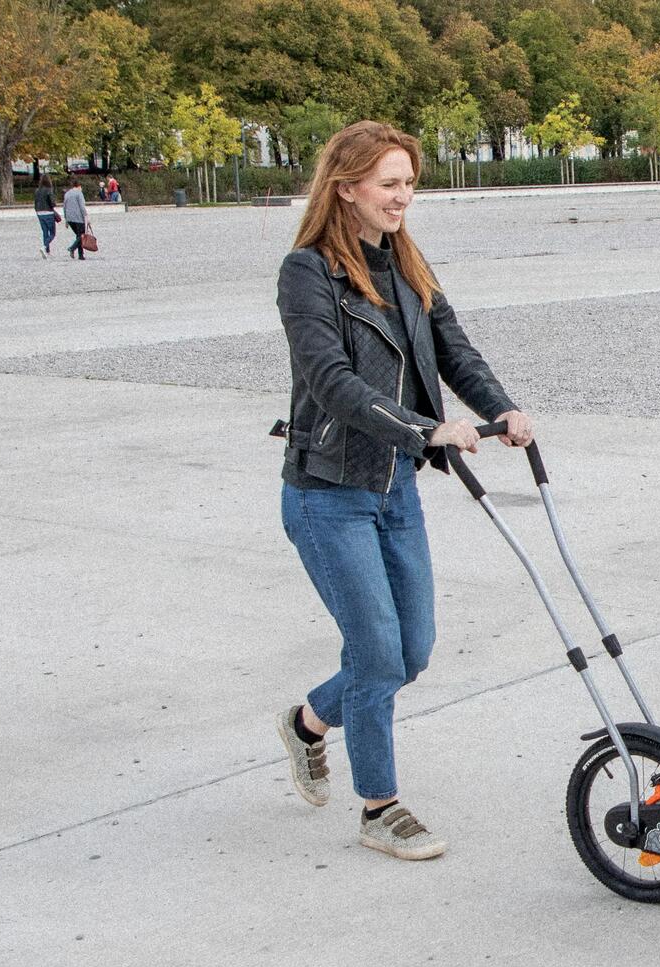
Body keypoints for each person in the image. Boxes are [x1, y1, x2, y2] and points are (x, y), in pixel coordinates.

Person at [271, 120, 533, 861]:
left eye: (409, 183)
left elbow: (455, 350)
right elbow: (333, 383)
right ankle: (379, 807)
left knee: (409, 652)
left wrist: (503, 407)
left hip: (393, 491)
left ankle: (307, 724)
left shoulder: (409, 266)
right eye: (389, 183)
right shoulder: (307, 273)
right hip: (327, 492)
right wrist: (427, 429)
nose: (403, 196)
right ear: (346, 187)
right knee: (377, 651)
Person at [62, 175, 88, 260]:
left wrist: (66, 220)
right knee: (82, 236)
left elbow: (64, 207)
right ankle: (72, 248)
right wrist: (86, 217)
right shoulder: (79, 193)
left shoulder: (67, 194)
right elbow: (82, 206)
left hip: (70, 218)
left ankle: (81, 255)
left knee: (78, 236)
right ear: (79, 186)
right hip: (78, 218)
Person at [32, 175, 59, 258]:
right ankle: (44, 247)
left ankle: (47, 251)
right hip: (48, 212)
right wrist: (54, 204)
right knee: (52, 233)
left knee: (45, 232)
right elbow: (52, 202)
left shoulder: (37, 191)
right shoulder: (49, 190)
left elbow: (35, 202)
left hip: (39, 213)